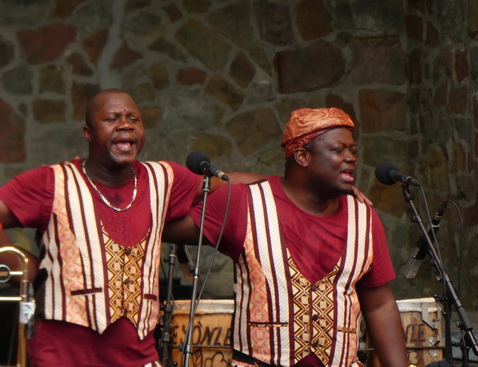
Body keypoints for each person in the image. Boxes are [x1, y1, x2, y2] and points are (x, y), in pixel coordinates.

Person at [0, 90, 371, 366]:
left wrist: (307, 185)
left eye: (134, 118)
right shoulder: (52, 182)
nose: (126, 124)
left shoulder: (163, 177)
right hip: (62, 357)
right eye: (112, 118)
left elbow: (226, 184)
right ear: (87, 132)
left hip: (137, 357)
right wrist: (17, 264)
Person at [164, 108, 408, 367]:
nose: (350, 159)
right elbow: (160, 218)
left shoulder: (364, 217)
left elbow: (379, 305)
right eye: (338, 150)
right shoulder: (243, 204)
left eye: (353, 151)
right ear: (302, 156)